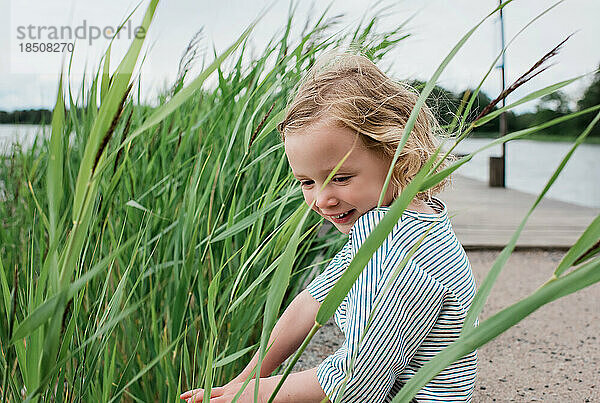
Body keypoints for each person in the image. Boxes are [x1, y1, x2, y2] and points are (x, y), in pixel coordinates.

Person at [181, 52, 478, 403]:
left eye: (340, 177)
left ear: (396, 152)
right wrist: (248, 378)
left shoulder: (400, 256)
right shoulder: (388, 224)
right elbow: (314, 300)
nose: (322, 200)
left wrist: (251, 397)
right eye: (307, 182)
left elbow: (356, 380)